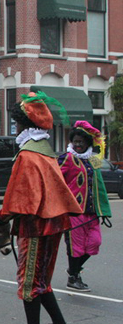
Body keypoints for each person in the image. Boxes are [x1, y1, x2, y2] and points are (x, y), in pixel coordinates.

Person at [0, 91, 82, 324]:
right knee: (41, 281)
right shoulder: (45, 152)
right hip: (53, 224)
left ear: (23, 124)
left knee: (29, 282)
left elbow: (23, 198)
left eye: (17, 123)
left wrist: (1, 217)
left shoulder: (28, 155)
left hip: (35, 226)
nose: (15, 128)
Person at [58, 121, 111, 292]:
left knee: (95, 243)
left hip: (92, 212)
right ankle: (73, 277)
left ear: (88, 143)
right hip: (74, 213)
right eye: (76, 142)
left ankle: (73, 271)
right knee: (76, 247)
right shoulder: (67, 158)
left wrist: (104, 210)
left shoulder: (93, 160)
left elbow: (100, 186)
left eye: (81, 142)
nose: (78, 145)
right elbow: (55, 180)